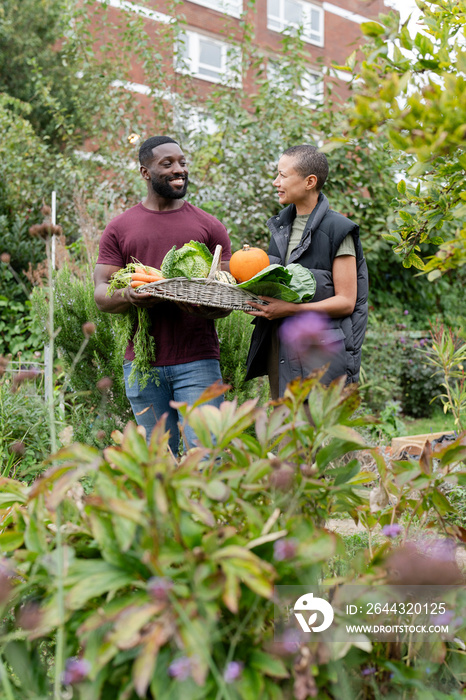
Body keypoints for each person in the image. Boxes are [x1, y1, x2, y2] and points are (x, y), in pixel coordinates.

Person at [94, 135, 232, 453]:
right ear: (145, 172)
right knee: (158, 462)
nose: (178, 169)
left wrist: (208, 307)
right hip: (142, 364)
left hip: (198, 359)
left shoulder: (210, 227)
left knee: (207, 457)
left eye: (182, 162)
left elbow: (227, 295)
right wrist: (128, 295)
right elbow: (101, 292)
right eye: (167, 164)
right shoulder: (120, 228)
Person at [245, 144, 368, 399]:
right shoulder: (281, 227)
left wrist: (292, 309)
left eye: (283, 175)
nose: (275, 182)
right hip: (280, 349)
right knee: (286, 433)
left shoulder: (338, 229)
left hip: (320, 354)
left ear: (310, 181)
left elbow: (346, 302)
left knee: (314, 432)